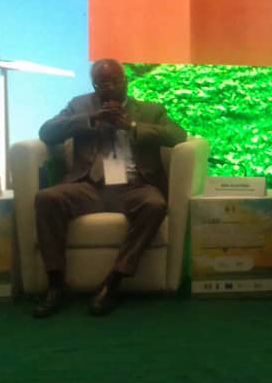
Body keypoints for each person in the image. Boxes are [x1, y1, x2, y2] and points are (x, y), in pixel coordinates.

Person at [32, 59, 188, 318]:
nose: (111, 88)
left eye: (116, 82)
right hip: (88, 187)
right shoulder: (79, 105)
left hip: (133, 186)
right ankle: (55, 285)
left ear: (126, 81)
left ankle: (113, 282)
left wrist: (132, 127)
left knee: (155, 205)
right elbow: (46, 132)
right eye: (102, 84)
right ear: (94, 86)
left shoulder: (150, 110)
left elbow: (177, 136)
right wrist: (90, 119)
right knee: (47, 199)